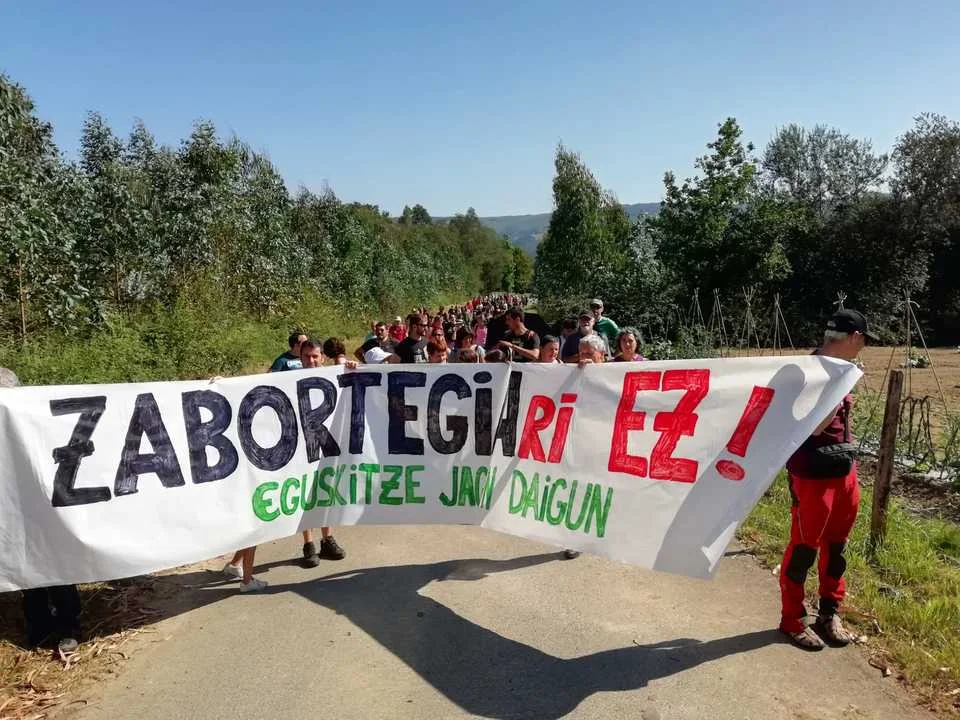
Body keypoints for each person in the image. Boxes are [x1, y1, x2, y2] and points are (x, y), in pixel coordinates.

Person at [779, 309, 876, 651]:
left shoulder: (841, 369)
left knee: (837, 548)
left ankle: (829, 613)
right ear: (854, 337)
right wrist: (841, 387)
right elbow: (815, 427)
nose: (863, 347)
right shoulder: (811, 372)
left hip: (843, 470)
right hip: (811, 474)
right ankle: (792, 620)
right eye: (864, 340)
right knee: (804, 549)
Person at [2, 367, 85, 647]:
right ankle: (39, 625)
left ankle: (68, 626)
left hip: (44, 502)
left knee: (56, 564)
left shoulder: (34, 416)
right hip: (12, 510)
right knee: (26, 567)